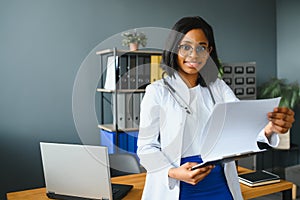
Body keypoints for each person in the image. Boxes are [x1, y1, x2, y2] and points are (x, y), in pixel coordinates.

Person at [137, 16, 295, 200]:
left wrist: (270, 129)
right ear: (174, 49)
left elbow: (242, 125)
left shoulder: (218, 87)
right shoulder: (157, 91)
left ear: (209, 51)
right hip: (177, 184)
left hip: (218, 181)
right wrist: (172, 172)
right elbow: (146, 147)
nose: (194, 55)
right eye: (186, 47)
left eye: (201, 47)